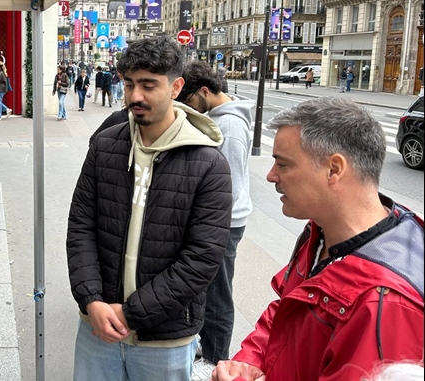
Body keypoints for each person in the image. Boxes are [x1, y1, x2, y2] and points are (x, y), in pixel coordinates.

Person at [212, 97, 425, 381]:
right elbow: (287, 311)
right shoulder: (322, 230)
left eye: (283, 164)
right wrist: (250, 361)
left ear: (334, 169)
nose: (271, 175)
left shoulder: (385, 304)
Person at [67, 36, 233, 381]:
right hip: (97, 328)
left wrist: (132, 314)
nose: (135, 96)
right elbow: (81, 226)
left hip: (165, 339)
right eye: (129, 84)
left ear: (176, 87)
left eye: (148, 85)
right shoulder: (105, 145)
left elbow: (202, 258)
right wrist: (91, 300)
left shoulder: (208, 162)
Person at [176, 61, 254, 381]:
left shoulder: (231, 128)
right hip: (219, 219)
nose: (187, 107)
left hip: (225, 222)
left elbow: (230, 186)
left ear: (204, 92)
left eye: (189, 100)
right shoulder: (219, 118)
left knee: (219, 292)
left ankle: (216, 358)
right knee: (208, 287)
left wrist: (206, 223)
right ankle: (208, 348)